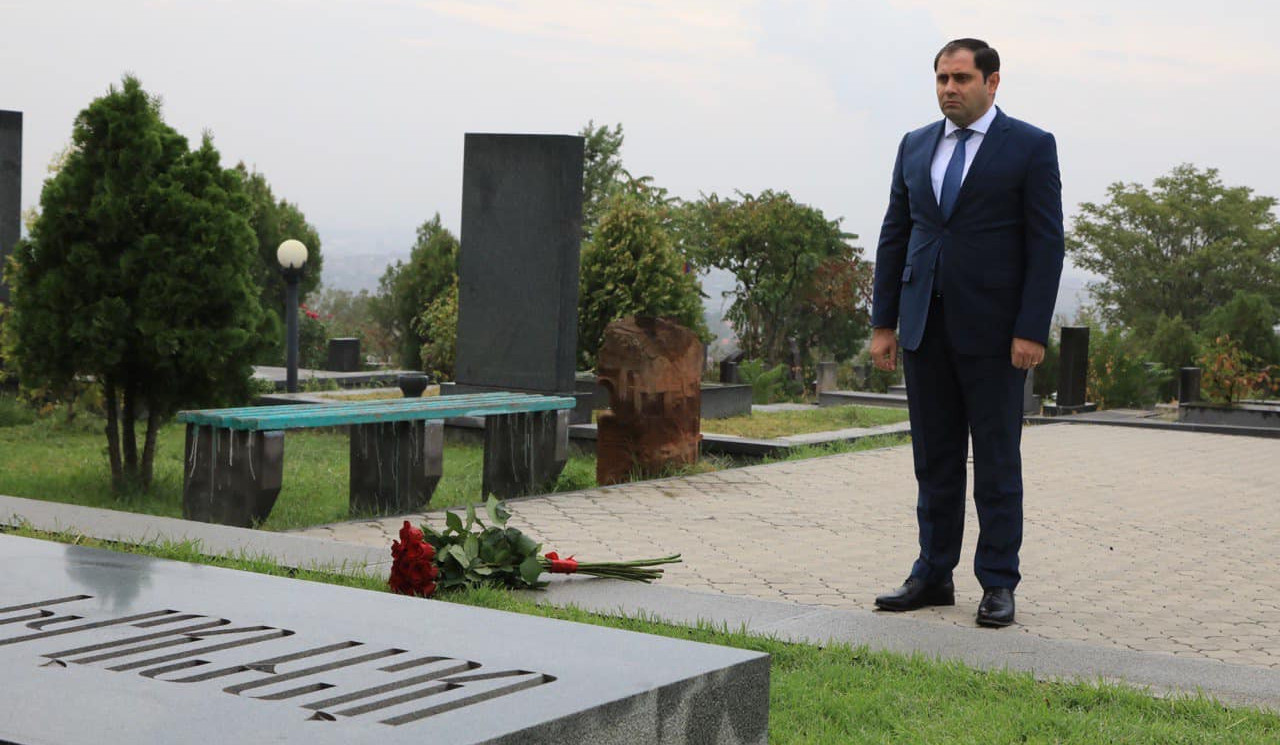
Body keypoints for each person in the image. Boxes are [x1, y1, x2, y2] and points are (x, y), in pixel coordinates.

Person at [869, 38, 1063, 627]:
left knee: (997, 463)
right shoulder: (915, 144)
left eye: (960, 78)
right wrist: (883, 323)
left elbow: (1046, 244)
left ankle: (998, 582)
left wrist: (1031, 330)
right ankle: (933, 573)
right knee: (935, 461)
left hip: (997, 335)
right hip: (924, 328)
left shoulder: (1030, 146)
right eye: (941, 79)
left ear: (992, 81)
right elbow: (896, 232)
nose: (949, 88)